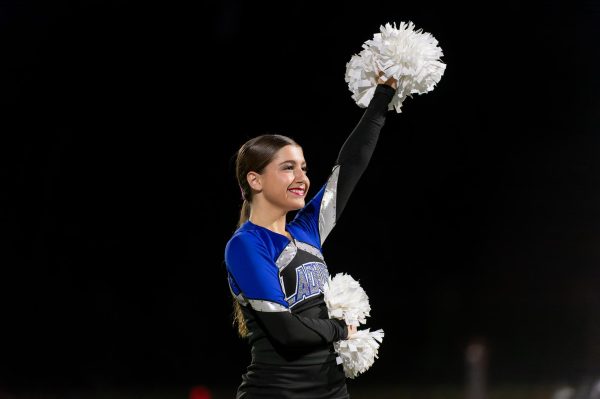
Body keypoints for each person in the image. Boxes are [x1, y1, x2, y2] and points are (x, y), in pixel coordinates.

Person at [224, 74, 398, 399]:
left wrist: (383, 94)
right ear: (256, 180)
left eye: (304, 167)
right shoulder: (246, 245)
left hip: (332, 391)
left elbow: (349, 166)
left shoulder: (307, 229)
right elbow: (287, 332)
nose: (302, 178)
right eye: (288, 168)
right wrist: (340, 329)